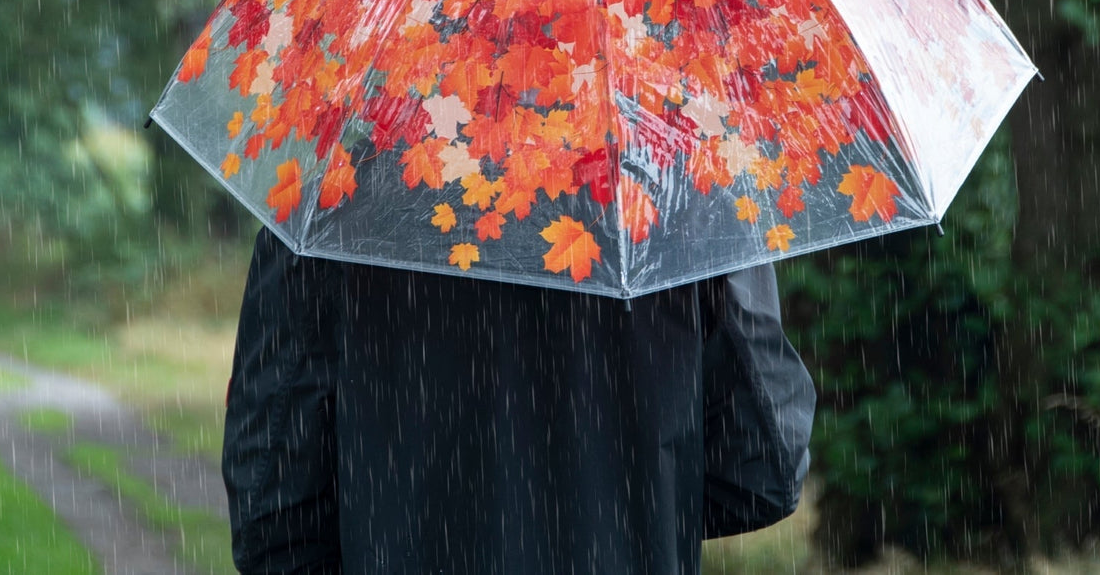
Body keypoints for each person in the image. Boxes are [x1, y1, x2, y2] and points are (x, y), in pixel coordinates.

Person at [223, 225, 815, 574]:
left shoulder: (334, 204)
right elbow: (764, 468)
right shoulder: (678, 195)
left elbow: (270, 512)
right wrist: (625, 515)